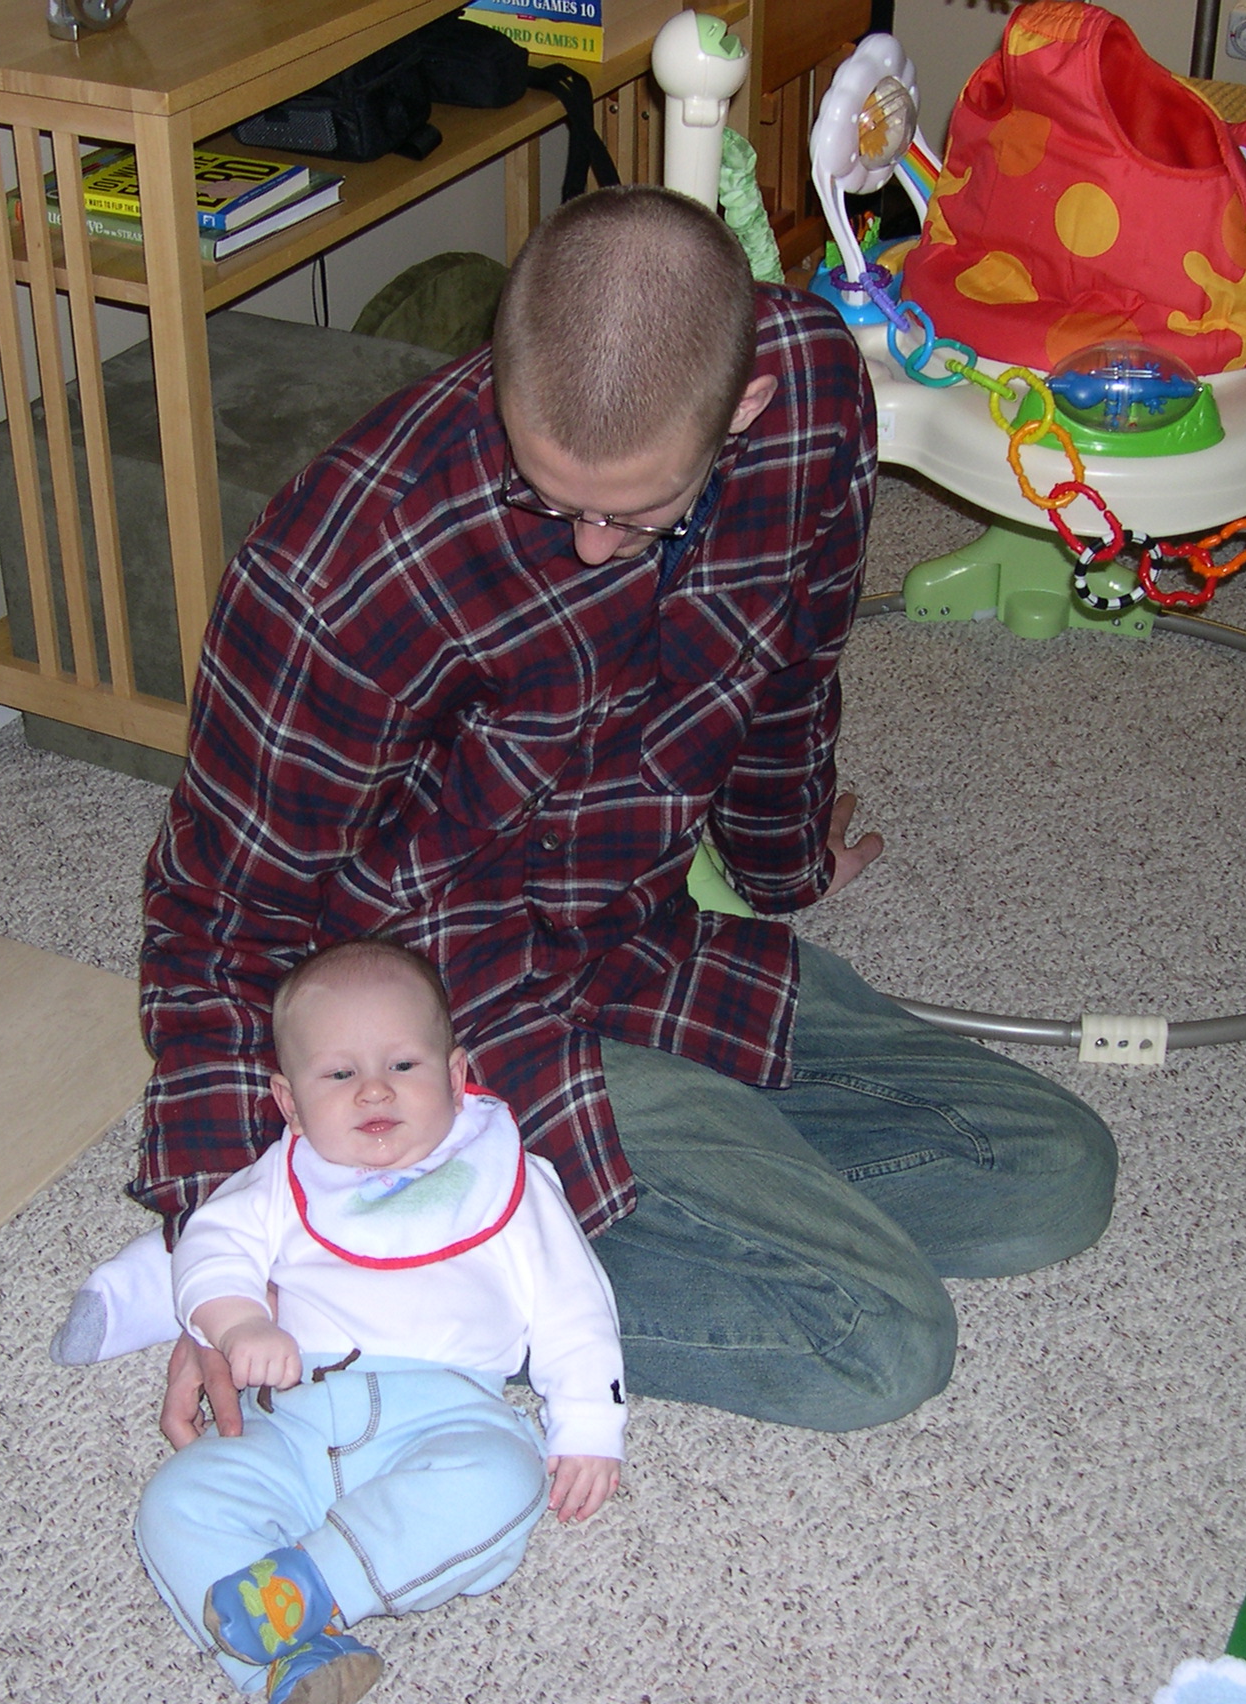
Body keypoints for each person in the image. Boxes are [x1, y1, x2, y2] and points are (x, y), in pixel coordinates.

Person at [133, 183, 1116, 1453]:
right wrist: (226, 1263)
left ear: (743, 408)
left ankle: (626, 1188)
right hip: (448, 1032)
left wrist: (780, 859)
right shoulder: (348, 562)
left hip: (639, 946)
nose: (593, 547)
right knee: (877, 1342)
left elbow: (792, 667)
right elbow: (219, 916)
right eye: (553, 501)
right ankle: (376, 1277)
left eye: (638, 512)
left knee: (1052, 1179)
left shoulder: (811, 393)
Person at [135, 938, 623, 1704]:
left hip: (447, 1413)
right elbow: (211, 1246)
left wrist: (590, 1423)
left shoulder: (509, 1180)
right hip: (291, 1422)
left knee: (505, 1479)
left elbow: (576, 1301)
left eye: (403, 1066)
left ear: (457, 1078)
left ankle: (311, 1589)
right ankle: (292, 1663)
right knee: (177, 1503)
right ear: (290, 1103)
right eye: (338, 1074)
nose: (373, 1092)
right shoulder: (281, 1177)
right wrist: (237, 1328)